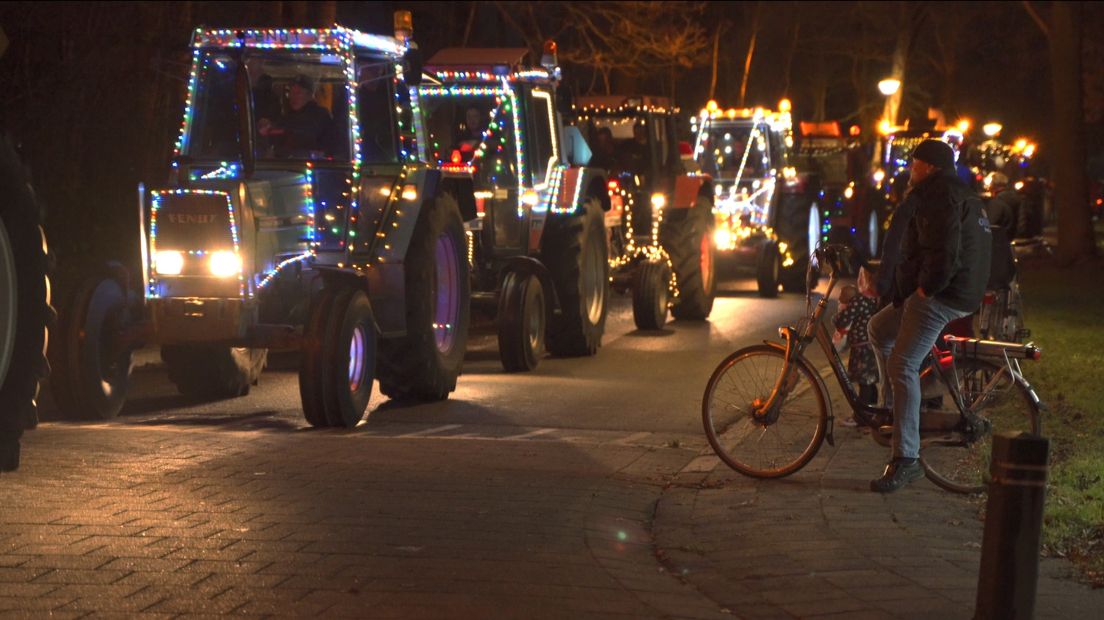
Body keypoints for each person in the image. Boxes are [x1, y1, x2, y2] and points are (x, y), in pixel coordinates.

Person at [866, 139, 992, 493]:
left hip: (943, 294)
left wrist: (924, 290)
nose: (910, 169)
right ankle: (894, 408)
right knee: (878, 330)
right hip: (952, 290)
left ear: (930, 167)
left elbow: (943, 251)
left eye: (915, 163)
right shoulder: (953, 192)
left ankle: (906, 458)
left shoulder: (939, 197)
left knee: (902, 364)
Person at [833, 284, 879, 418]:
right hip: (870, 345)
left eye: (842, 295)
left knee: (864, 381)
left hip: (862, 348)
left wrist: (837, 316)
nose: (839, 298)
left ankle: (862, 416)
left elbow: (842, 320)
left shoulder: (857, 302)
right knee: (870, 381)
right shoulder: (869, 300)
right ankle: (873, 411)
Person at [259, 75, 334, 156]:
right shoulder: (287, 117)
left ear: (310, 95)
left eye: (298, 93)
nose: (293, 97)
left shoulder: (321, 115)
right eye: (291, 93)